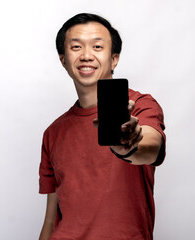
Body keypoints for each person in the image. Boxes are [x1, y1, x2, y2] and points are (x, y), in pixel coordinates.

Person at [38, 13, 166, 240]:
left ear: (114, 58)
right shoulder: (53, 133)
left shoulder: (139, 105)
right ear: (63, 60)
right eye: (76, 47)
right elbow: (50, 219)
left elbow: (151, 145)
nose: (86, 55)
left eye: (97, 46)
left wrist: (130, 145)